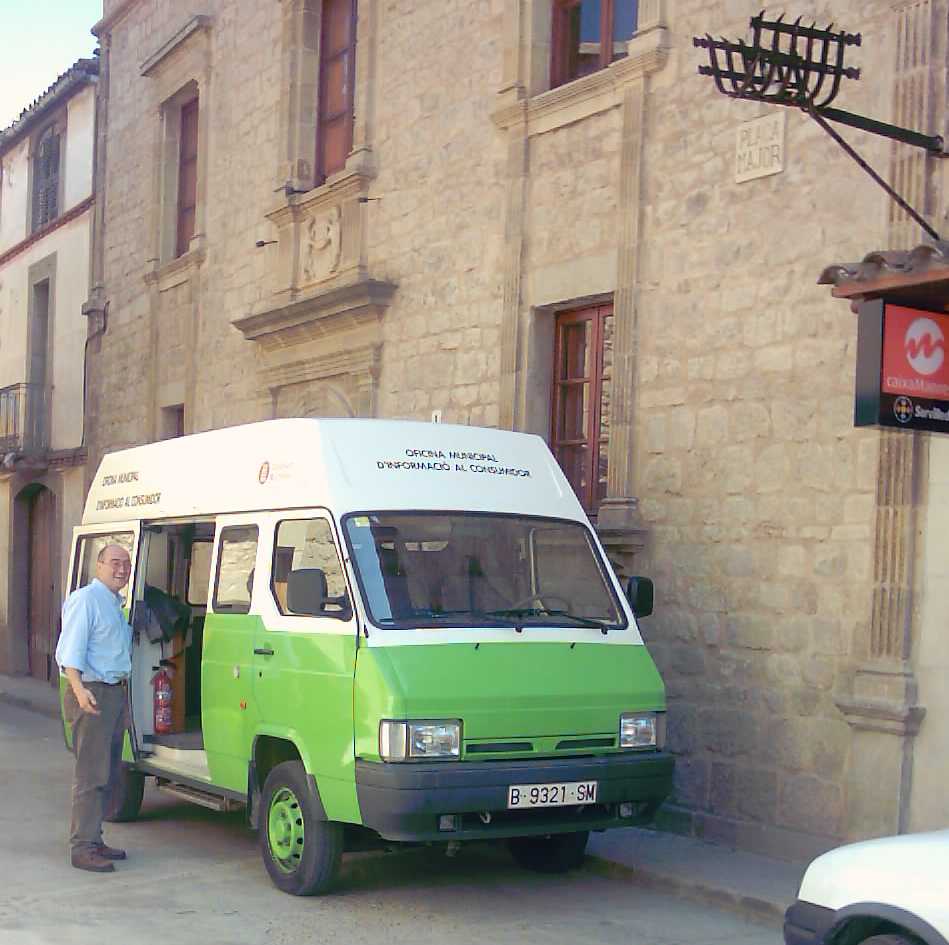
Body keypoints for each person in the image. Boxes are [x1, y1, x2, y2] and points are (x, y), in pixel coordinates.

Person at [55, 543, 133, 873]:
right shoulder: (86, 599)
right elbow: (69, 651)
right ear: (98, 565)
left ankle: (94, 838)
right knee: (90, 774)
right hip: (92, 692)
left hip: (112, 692)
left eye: (126, 564)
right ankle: (82, 847)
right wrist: (80, 691)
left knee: (108, 772)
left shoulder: (114, 604)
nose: (121, 569)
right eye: (114, 562)